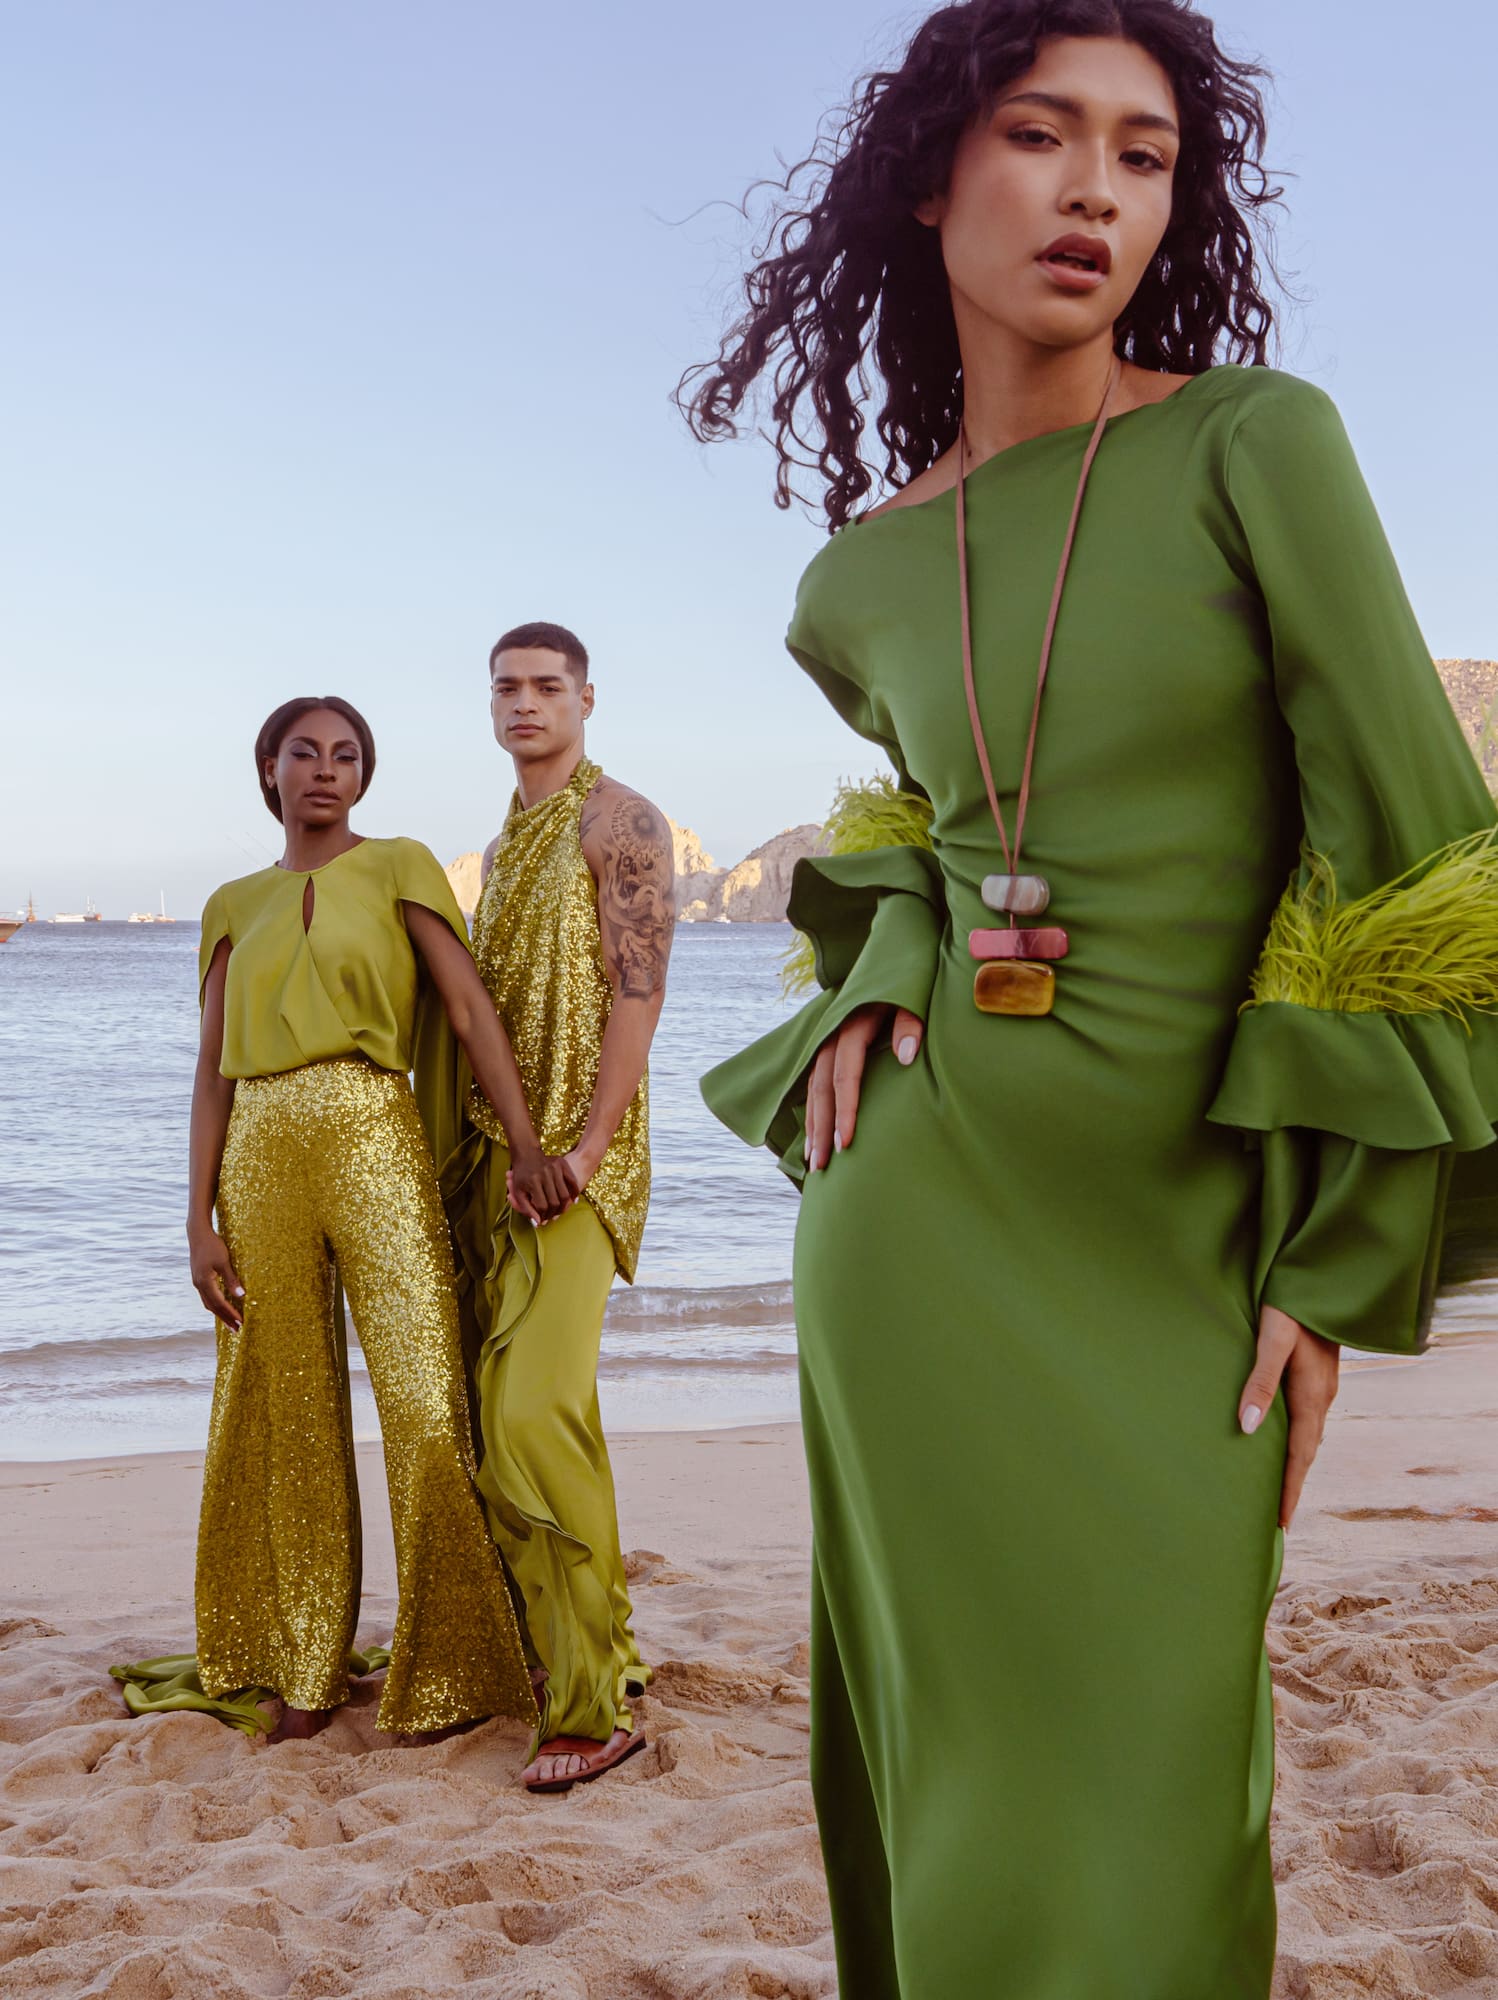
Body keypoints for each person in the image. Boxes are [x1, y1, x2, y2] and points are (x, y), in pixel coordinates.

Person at [679, 4, 1498, 1995]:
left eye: (1140, 154)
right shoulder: (851, 582)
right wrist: (873, 962)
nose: (1091, 190)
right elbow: (914, 828)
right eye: (1041, 135)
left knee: (1145, 1782)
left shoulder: (1249, 442)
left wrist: (1339, 1244)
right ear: (929, 178)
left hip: (1183, 1232)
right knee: (963, 1765)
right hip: (921, 1223)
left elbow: (1421, 854)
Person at [119, 696, 572, 1745]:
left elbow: (465, 1009)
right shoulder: (232, 902)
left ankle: (453, 1661)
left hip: (374, 1125)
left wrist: (527, 1141)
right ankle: (304, 1667)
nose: (325, 768)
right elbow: (208, 1074)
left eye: (347, 754)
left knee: (424, 1399)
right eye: (304, 752)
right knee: (288, 1413)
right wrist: (197, 1219)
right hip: (259, 1155)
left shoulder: (399, 863)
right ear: (268, 769)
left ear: (364, 776)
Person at [418, 621, 676, 1793]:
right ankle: (600, 1656)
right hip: (498, 1161)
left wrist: (588, 1142)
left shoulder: (617, 818)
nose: (523, 703)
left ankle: (591, 1707)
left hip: (578, 1162)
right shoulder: (503, 839)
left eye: (544, 686)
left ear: (585, 697)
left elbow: (638, 988)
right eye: (505, 689)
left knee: (533, 1412)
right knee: (513, 1415)